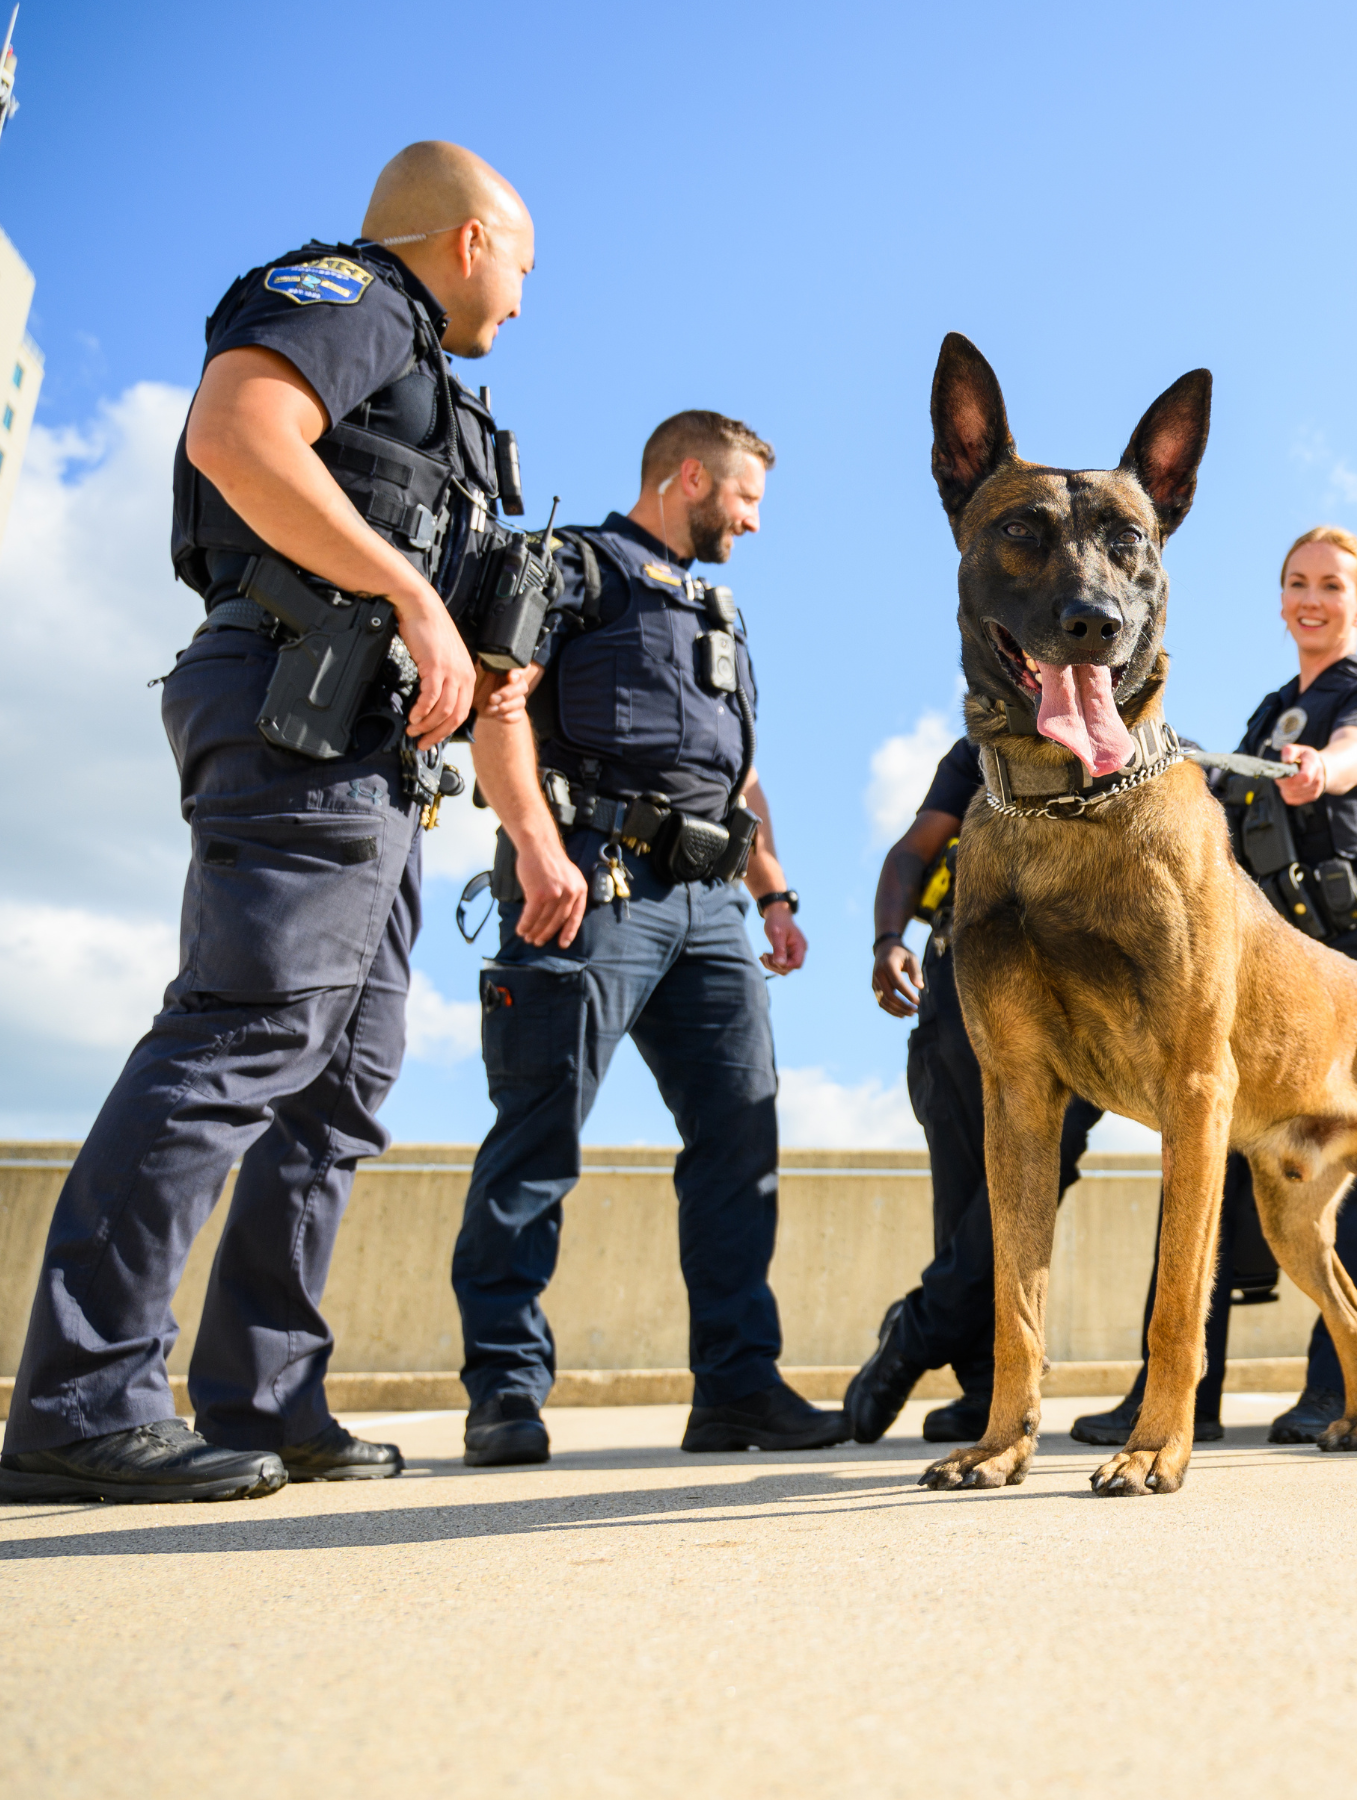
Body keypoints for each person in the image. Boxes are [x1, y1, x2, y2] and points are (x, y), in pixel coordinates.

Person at [0, 143, 535, 1503]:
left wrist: (473, 639)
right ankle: (80, 1400)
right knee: (243, 1033)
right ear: (472, 240)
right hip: (300, 704)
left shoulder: (426, 376)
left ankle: (268, 1396)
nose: (523, 303)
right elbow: (236, 431)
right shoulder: (358, 297)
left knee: (341, 1086)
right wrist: (412, 597)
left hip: (372, 748)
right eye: (523, 267)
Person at [452, 410, 844, 1464]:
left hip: (712, 906)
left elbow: (739, 772)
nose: (755, 525)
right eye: (746, 500)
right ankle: (503, 1391)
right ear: (686, 478)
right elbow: (499, 705)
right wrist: (536, 848)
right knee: (537, 1137)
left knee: (738, 1140)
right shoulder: (573, 568)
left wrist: (774, 895)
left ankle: (737, 1391)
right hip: (592, 880)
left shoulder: (718, 605)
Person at [1072, 524, 1357, 1448]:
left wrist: (1321, 771)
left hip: (1356, 958)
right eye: (1298, 583)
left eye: (1332, 587)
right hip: (1263, 970)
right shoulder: (1268, 713)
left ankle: (1337, 1386)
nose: (1313, 599)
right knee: (1202, 1151)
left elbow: (1353, 758)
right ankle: (1182, 1390)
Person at [844, 736, 1095, 1445]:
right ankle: (988, 1389)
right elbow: (911, 850)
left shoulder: (1138, 748)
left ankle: (914, 1334)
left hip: (1081, 1002)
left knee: (1036, 1175)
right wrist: (885, 938)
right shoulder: (981, 752)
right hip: (965, 985)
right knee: (963, 1197)